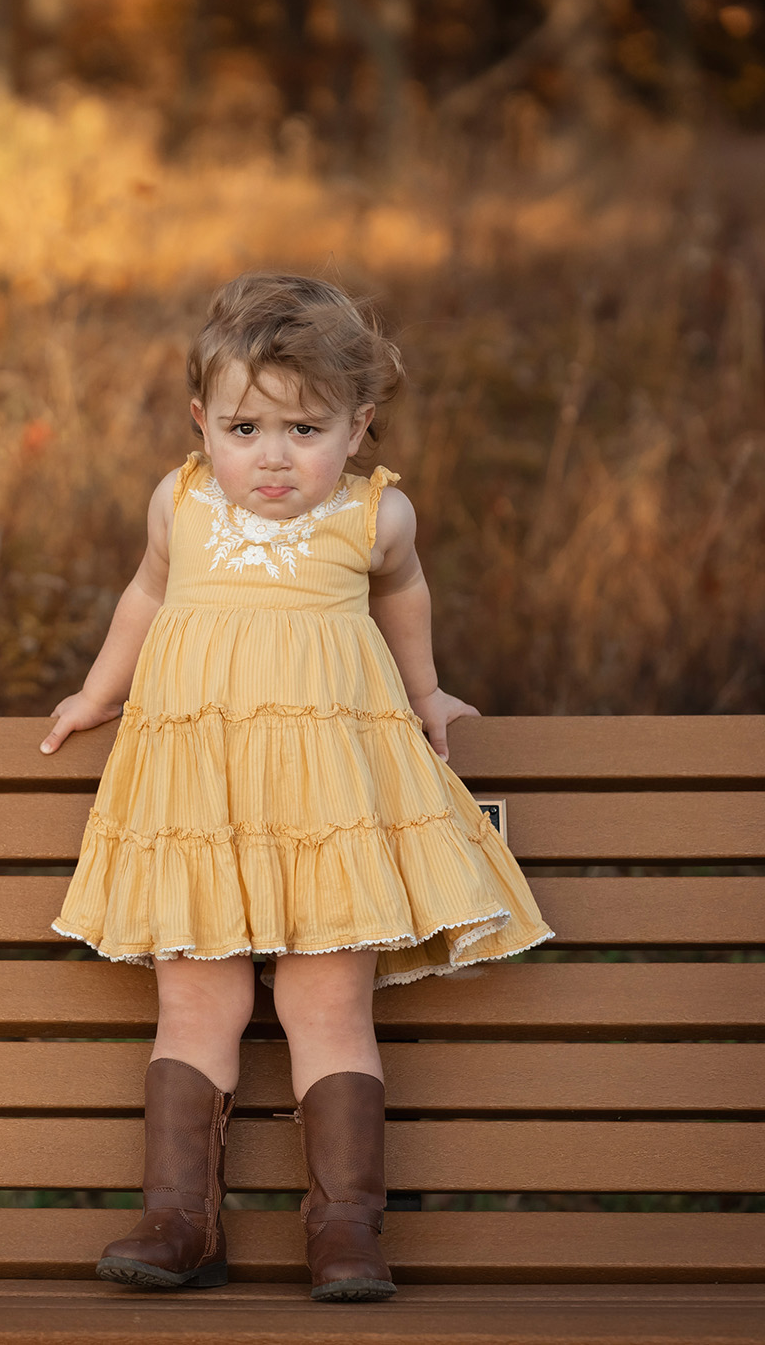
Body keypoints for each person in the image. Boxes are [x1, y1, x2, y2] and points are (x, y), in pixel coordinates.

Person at [38, 273, 551, 1303]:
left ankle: (345, 1227)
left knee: (326, 1003)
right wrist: (99, 692)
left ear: (357, 427)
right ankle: (179, 1219)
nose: (270, 456)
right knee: (195, 1002)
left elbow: (403, 597)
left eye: (303, 429)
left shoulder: (374, 517)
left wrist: (424, 693)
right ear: (200, 422)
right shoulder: (177, 502)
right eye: (242, 427)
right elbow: (144, 593)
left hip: (326, 804)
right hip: (199, 799)